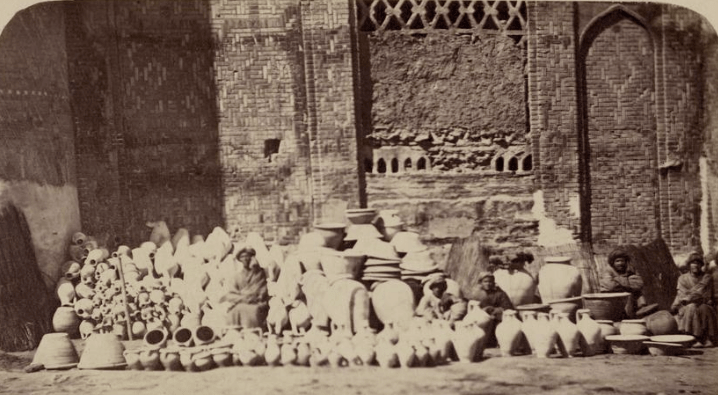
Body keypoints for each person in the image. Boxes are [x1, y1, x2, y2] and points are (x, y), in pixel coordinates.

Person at [671, 253, 717, 348]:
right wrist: (692, 297)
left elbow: (704, 293)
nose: (695, 265)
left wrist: (691, 296)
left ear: (701, 265)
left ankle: (707, 339)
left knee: (705, 308)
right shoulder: (682, 278)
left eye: (698, 263)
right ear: (689, 265)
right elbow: (682, 296)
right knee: (692, 307)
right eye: (693, 263)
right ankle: (695, 338)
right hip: (685, 306)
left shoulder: (706, 277)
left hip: (703, 303)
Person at [220, 247, 270, 329]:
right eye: (242, 257)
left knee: (254, 311)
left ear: (251, 258)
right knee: (233, 312)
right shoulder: (237, 276)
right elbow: (230, 294)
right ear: (240, 260)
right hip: (242, 302)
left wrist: (252, 297)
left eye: (247, 256)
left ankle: (253, 332)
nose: (245, 259)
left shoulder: (259, 273)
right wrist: (244, 298)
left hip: (256, 303)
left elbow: (261, 290)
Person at [600, 248, 646, 318]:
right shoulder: (608, 270)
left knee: (635, 297)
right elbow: (611, 286)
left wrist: (619, 281)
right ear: (613, 262)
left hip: (628, 298)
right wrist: (627, 282)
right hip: (611, 298)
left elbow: (639, 284)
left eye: (622, 261)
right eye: (617, 261)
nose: (620, 263)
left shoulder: (630, 269)